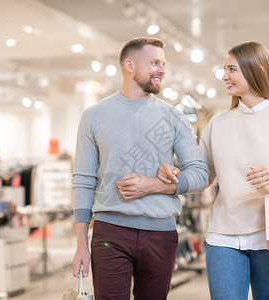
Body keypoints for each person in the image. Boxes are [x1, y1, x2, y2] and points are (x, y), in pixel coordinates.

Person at [158, 41, 269, 300]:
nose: (224, 76)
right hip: (223, 238)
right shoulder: (219, 123)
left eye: (232, 69)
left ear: (256, 70)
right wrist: (173, 172)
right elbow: (202, 176)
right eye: (224, 69)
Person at [71, 37, 209, 300]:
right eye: (154, 62)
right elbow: (83, 180)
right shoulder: (94, 116)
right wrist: (80, 243)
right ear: (129, 65)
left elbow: (200, 174)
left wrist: (153, 185)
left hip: (161, 232)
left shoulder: (173, 117)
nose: (162, 69)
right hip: (110, 232)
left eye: (164, 64)